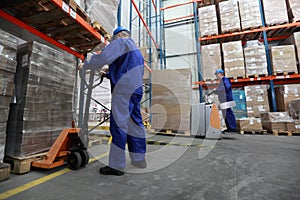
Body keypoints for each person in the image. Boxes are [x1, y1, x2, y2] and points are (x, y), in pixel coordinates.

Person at [81, 26, 146, 176]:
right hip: (136, 90)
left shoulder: (121, 42)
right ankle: (139, 159)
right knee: (135, 124)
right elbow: (126, 69)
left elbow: (104, 57)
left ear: (117, 36)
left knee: (119, 125)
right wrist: (108, 73)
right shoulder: (136, 51)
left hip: (123, 90)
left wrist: (87, 64)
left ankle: (116, 165)